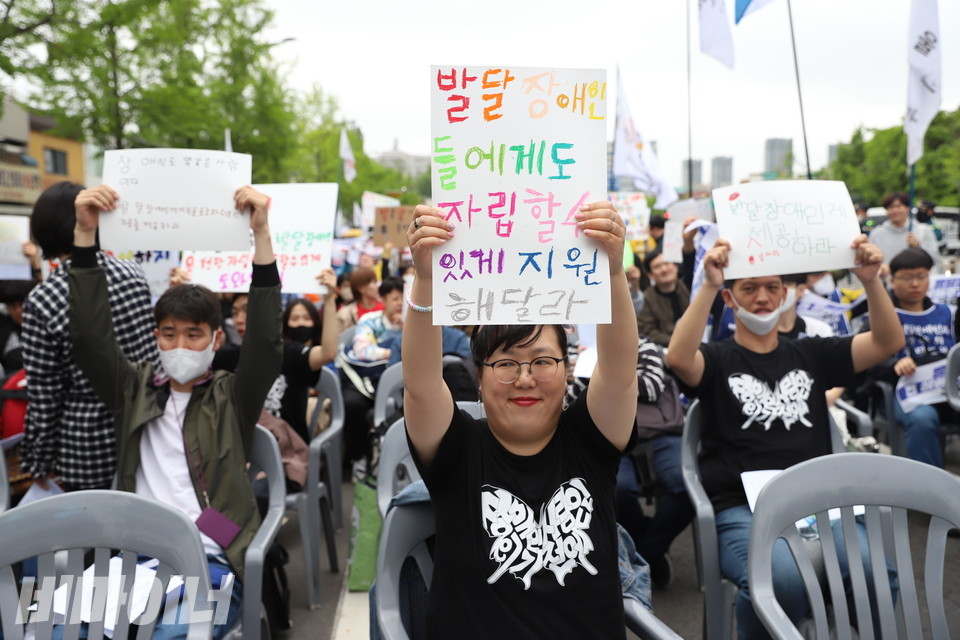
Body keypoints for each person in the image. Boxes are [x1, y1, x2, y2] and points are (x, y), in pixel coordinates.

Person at [401, 201, 639, 638]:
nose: (525, 378)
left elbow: (621, 371)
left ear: (567, 371)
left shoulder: (591, 440)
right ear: (479, 379)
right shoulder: (456, 450)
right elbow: (420, 382)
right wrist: (427, 279)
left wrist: (612, 272)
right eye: (506, 364)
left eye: (542, 361)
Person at [67, 184, 282, 638]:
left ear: (216, 339)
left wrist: (261, 235)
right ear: (155, 337)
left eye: (193, 334)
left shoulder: (232, 395)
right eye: (168, 334)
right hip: (132, 555)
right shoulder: (133, 388)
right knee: (57, 626)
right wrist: (85, 238)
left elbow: (265, 342)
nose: (179, 345)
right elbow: (88, 339)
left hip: (211, 557)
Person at [666, 235, 904, 640]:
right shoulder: (718, 359)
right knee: (781, 581)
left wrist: (870, 281)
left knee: (876, 574)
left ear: (786, 294)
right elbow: (678, 358)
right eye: (749, 288)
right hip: (743, 510)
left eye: (772, 287)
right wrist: (708, 285)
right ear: (730, 299)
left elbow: (887, 342)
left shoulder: (812, 354)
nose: (762, 297)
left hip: (820, 506)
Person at [20, 181, 157, 491]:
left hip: (87, 441)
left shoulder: (43, 300)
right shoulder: (133, 273)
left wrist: (38, 459)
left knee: (96, 520)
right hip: (146, 423)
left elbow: (45, 394)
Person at [615, 337, 692, 589]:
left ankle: (643, 555)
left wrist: (601, 376)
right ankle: (650, 552)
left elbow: (651, 387)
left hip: (659, 431)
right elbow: (570, 392)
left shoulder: (640, 344)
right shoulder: (571, 347)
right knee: (618, 490)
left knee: (688, 486)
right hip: (610, 433)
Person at [867, 247, 953, 468]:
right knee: (922, 418)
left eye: (921, 276)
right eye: (907, 278)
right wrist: (894, 364)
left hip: (948, 389)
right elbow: (867, 360)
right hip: (904, 392)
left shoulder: (948, 314)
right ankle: (929, 484)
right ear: (893, 280)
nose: (915, 284)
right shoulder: (881, 315)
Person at [341, 277, 404, 465]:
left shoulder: (415, 321)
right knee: (352, 404)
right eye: (395, 299)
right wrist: (394, 352)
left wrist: (406, 328)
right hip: (369, 381)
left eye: (404, 298)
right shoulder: (370, 321)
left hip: (403, 382)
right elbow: (362, 351)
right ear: (383, 300)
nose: (400, 303)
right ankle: (360, 458)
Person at [869, 191, 939, 272]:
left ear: (907, 208)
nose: (895, 211)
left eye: (899, 206)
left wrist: (918, 247)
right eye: (890, 207)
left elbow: (935, 259)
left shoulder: (924, 230)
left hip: (914, 279)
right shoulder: (876, 234)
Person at [636, 249, 690, 347]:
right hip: (665, 348)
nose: (664, 269)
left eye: (666, 263)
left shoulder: (688, 287)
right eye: (657, 267)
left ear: (675, 266)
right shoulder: (647, 298)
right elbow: (647, 330)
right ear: (650, 275)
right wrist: (676, 342)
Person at [337, 266, 382, 331]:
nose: (377, 286)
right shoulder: (346, 314)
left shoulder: (386, 307)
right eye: (374, 282)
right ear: (361, 288)